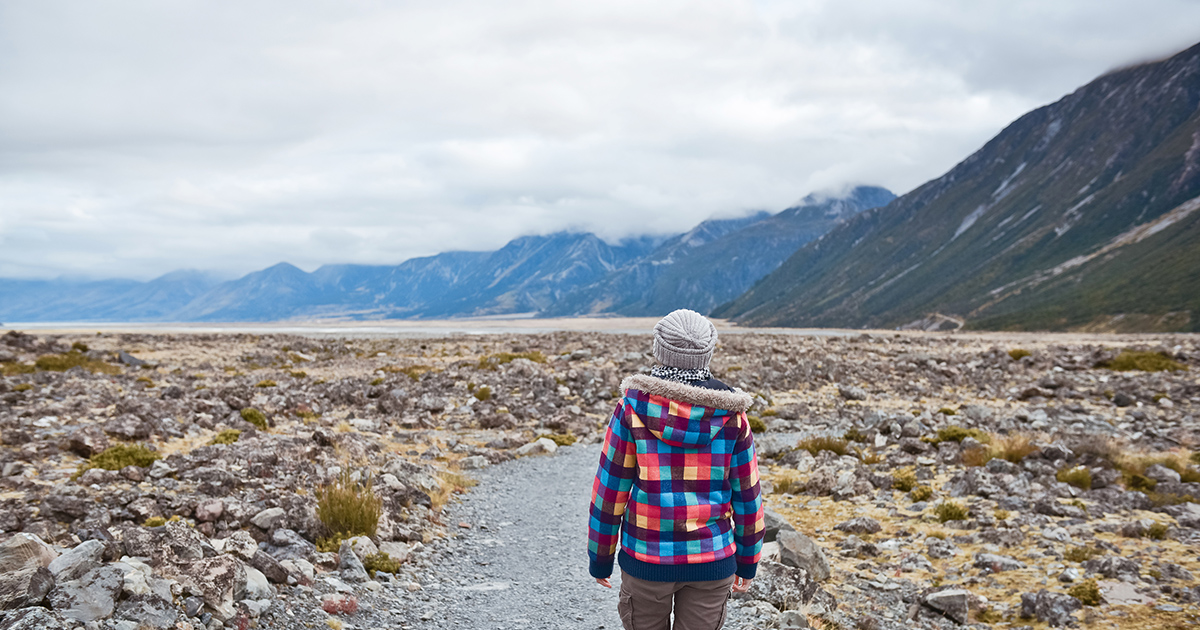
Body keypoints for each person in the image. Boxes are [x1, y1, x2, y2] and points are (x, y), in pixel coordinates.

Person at [588, 309, 764, 630]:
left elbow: (609, 491)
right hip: (712, 559)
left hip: (645, 559)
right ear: (708, 352)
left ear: (659, 350)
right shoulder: (733, 416)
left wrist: (600, 558)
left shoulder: (632, 407)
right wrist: (748, 561)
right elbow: (748, 498)